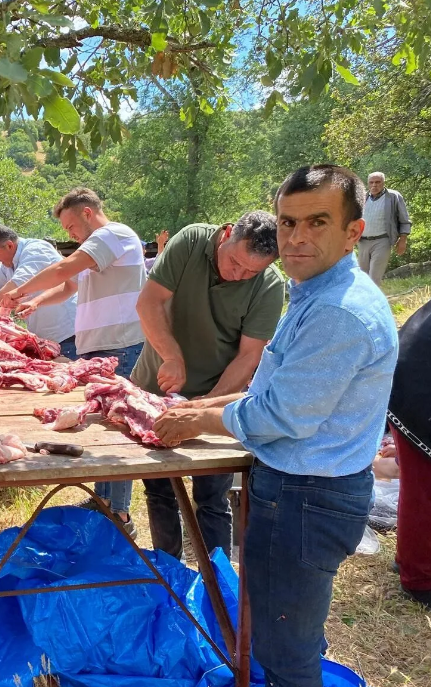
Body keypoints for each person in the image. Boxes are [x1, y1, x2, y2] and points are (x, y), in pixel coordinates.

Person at [153, 165, 398, 687]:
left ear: (354, 231)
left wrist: (204, 415)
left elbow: (283, 415)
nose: (297, 237)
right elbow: (274, 390)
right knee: (280, 631)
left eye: (317, 222)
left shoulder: (339, 311)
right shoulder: (313, 292)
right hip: (296, 492)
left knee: (286, 653)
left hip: (308, 497)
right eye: (288, 223)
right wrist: (209, 408)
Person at [130, 212, 284, 561]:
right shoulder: (191, 241)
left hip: (216, 396)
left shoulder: (270, 286)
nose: (238, 275)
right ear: (227, 234)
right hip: (156, 388)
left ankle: (218, 583)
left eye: (251, 272)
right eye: (235, 263)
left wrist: (205, 409)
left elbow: (248, 358)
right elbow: (148, 302)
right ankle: (168, 573)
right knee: (159, 490)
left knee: (212, 498)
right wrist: (172, 357)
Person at [2, 188, 146, 535]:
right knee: (97, 426)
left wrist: (20, 290)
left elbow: (65, 267)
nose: (69, 233)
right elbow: (68, 286)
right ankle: (102, 500)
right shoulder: (95, 252)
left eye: (69, 226)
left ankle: (121, 515)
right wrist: (36, 302)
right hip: (98, 351)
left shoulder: (114, 235)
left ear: (86, 212)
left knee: (116, 430)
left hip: (122, 348)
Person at [0, 223, 78, 358]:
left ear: (9, 245)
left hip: (69, 334)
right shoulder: (7, 266)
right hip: (45, 339)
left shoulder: (35, 250)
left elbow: (17, 285)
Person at [387, 298, 431, 608]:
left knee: (419, 488)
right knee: (423, 491)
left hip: (413, 374)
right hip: (416, 389)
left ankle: (408, 559)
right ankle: (419, 580)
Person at [357, 171, 411, 285]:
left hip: (382, 241)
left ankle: (374, 302)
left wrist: (403, 240)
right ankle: (365, 302)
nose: (374, 185)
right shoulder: (363, 198)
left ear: (383, 183)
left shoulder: (393, 196)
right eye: (371, 182)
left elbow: (404, 219)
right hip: (363, 241)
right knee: (363, 277)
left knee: (374, 278)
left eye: (377, 182)